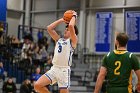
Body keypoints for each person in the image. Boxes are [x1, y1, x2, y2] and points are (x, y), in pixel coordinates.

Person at [34, 10, 78, 93]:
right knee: (37, 86)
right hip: (54, 69)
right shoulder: (58, 39)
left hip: (64, 71)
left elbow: (72, 26)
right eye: (65, 29)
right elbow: (49, 28)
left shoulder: (73, 41)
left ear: (73, 33)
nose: (65, 30)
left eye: (67, 30)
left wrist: (74, 16)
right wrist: (62, 20)